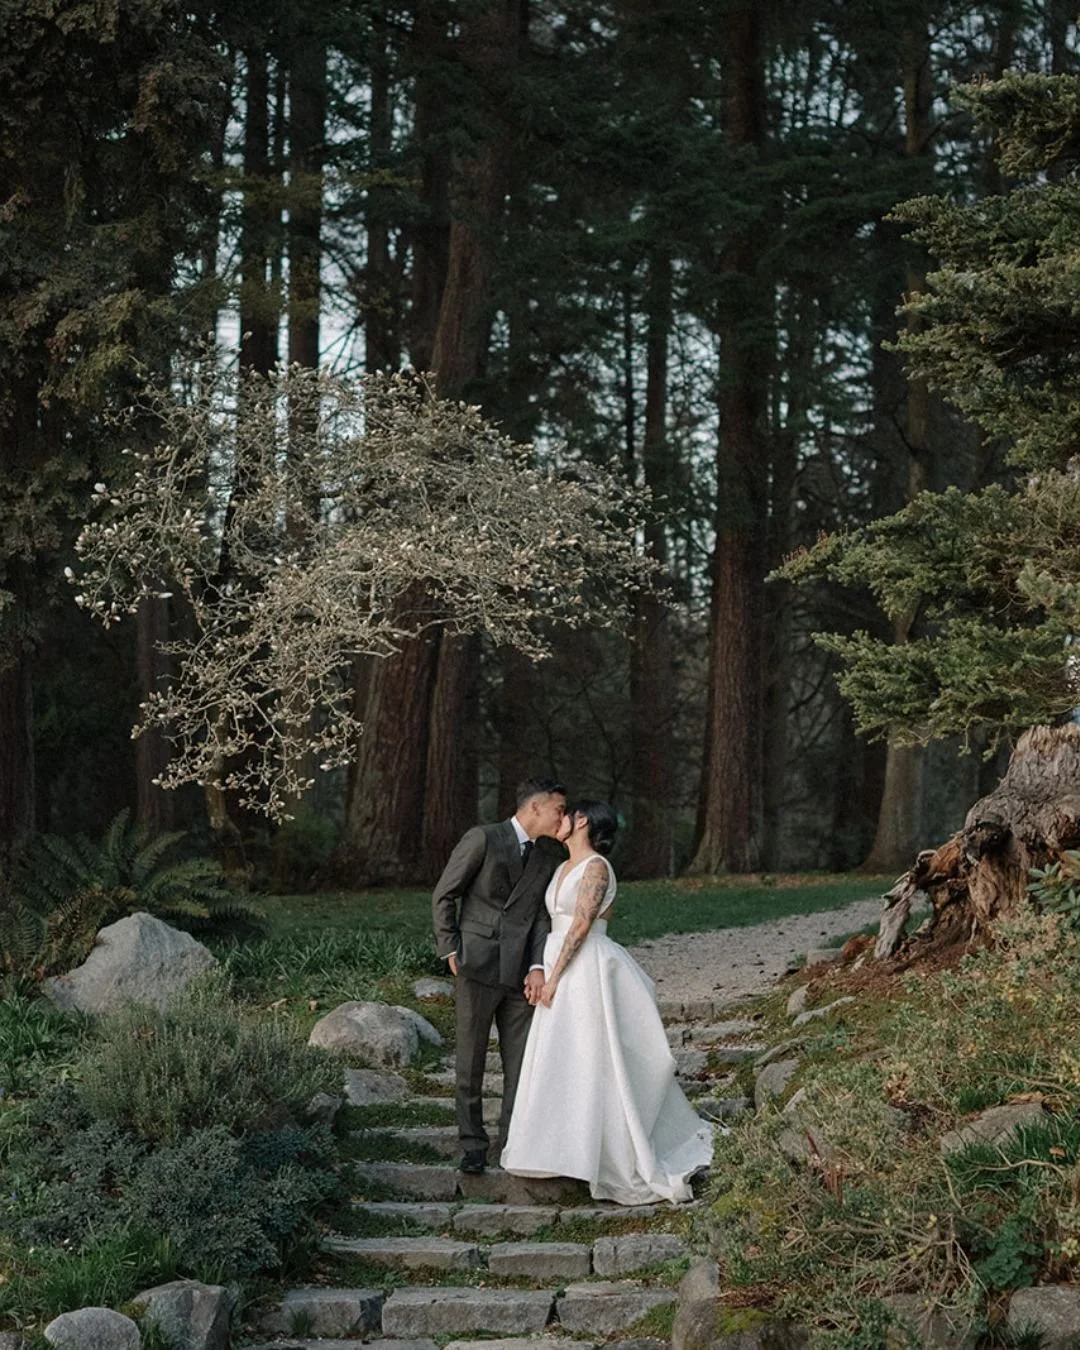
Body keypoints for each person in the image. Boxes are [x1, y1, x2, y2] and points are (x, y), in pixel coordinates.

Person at [500, 801, 713, 1204]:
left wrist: (557, 975)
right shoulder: (562, 867)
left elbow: (581, 924)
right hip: (556, 961)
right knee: (559, 1055)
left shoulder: (595, 867)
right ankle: (554, 1147)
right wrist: (541, 971)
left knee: (594, 1054)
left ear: (581, 821)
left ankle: (603, 1150)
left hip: (584, 967)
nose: (558, 821)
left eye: (565, 815)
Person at [432, 777, 567, 1175]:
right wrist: (450, 947)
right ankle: (473, 1144)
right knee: (470, 1060)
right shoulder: (483, 839)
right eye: (558, 809)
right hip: (475, 963)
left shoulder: (547, 859)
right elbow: (445, 893)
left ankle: (514, 1142)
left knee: (521, 1063)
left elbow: (542, 917)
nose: (563, 816)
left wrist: (538, 965)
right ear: (535, 808)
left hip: (520, 972)